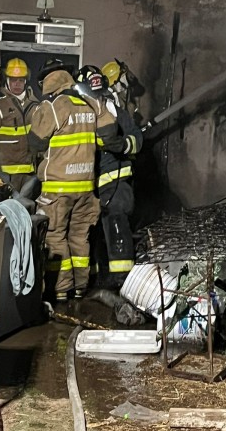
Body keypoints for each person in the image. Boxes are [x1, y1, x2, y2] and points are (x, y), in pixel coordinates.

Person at [28, 65, 125, 302]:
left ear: (49, 85)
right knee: (80, 237)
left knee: (54, 236)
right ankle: (80, 287)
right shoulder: (91, 103)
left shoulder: (54, 106)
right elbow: (110, 134)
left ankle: (60, 289)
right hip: (86, 188)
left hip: (57, 189)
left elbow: (36, 143)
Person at [75, 65, 143, 290]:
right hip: (87, 185)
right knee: (90, 233)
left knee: (116, 225)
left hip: (116, 183)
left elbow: (135, 137)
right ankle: (94, 280)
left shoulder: (114, 110)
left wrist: (122, 145)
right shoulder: (79, 112)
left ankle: (123, 282)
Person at [0, 57, 40, 194]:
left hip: (29, 172)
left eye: (21, 80)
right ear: (7, 80)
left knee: (25, 205)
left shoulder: (34, 104)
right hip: (4, 172)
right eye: (13, 80)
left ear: (26, 81)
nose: (17, 84)